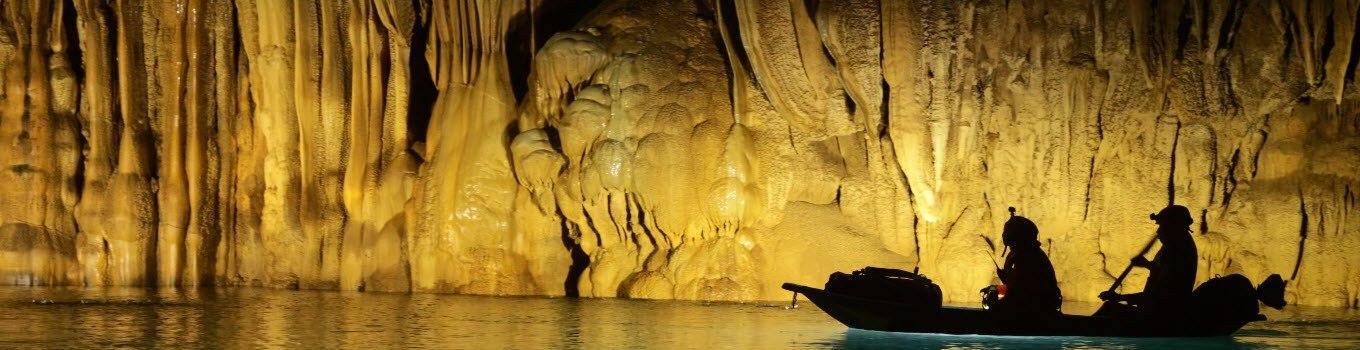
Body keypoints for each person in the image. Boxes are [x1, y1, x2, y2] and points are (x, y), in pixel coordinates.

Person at [1097, 205, 1199, 319]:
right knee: (1109, 308)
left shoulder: (1178, 250)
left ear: (1173, 226)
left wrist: (1119, 298)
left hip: (1162, 316)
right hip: (1156, 310)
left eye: (1162, 226)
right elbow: (1164, 274)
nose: (1158, 231)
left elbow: (1161, 294)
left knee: (1109, 308)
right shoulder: (1175, 245)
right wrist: (1148, 265)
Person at [986, 207, 1062, 315]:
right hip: (1036, 308)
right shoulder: (1027, 254)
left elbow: (1018, 294)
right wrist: (996, 288)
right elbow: (1017, 287)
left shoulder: (1027, 258)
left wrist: (994, 303)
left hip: (1036, 313)